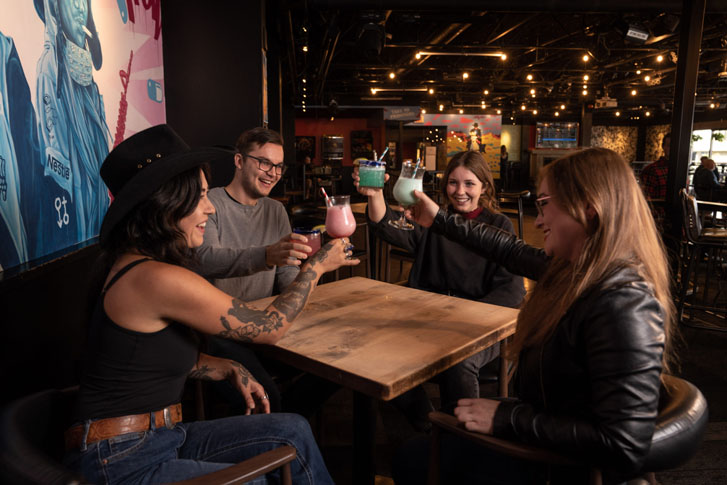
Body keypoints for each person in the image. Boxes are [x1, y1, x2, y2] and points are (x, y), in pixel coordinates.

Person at [64, 124, 358, 484]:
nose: (210, 208)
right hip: (123, 458)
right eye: (200, 197)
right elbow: (271, 328)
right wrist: (317, 266)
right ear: (167, 202)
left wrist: (222, 365)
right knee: (259, 480)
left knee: (292, 431)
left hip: (157, 436)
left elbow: (145, 361)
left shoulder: (137, 263)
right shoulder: (156, 277)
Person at [393, 147, 675, 484]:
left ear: (588, 210)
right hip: (547, 432)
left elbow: (624, 446)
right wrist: (439, 218)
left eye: (544, 205)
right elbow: (509, 250)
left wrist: (507, 418)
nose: (538, 220)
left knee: (411, 459)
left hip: (559, 467)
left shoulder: (623, 301)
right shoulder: (581, 270)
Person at [355, 150, 525, 425]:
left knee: (458, 361)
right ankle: (429, 425)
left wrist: (467, 316)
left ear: (484, 187)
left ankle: (461, 440)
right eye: (453, 183)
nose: (460, 191)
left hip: (480, 325)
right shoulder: (434, 219)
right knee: (373, 352)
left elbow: (512, 290)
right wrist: (375, 194)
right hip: (428, 319)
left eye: (469, 183)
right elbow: (389, 229)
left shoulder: (498, 224)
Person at [196, 127, 333, 415]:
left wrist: (311, 272)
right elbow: (206, 259)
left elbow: (285, 277)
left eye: (279, 166)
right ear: (238, 161)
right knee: (267, 397)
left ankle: (289, 424)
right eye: (264, 162)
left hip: (265, 324)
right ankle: (282, 434)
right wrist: (266, 255)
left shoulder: (276, 210)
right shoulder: (212, 204)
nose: (273, 172)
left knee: (336, 365)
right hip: (219, 330)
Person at [34, 0, 112, 253]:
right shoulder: (50, 70)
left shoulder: (90, 82)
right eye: (71, 1)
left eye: (84, 2)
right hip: (74, 223)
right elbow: (55, 160)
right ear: (55, 7)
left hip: (99, 218)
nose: (80, 8)